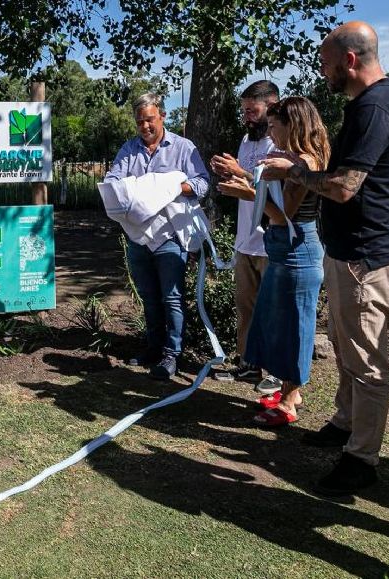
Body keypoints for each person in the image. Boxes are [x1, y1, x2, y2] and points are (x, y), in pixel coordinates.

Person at [261, 21, 389, 496]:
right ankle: (343, 420)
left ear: (350, 61)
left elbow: (343, 186)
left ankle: (360, 460)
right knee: (343, 345)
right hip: (351, 251)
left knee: (367, 361)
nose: (323, 73)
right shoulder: (377, 100)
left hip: (366, 255)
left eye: (326, 64)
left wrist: (294, 170)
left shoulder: (375, 107)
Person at [219, 97, 330, 427]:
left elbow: (285, 216)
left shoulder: (306, 162)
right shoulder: (291, 158)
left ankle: (288, 402)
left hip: (298, 250)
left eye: (274, 126)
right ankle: (288, 392)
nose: (270, 132)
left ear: (291, 125)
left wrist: (249, 194)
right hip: (283, 248)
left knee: (295, 327)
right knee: (278, 326)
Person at [106, 93, 209, 380]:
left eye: (149, 119)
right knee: (149, 297)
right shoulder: (129, 149)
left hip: (170, 236)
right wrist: (134, 190)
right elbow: (114, 181)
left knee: (172, 297)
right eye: (140, 122)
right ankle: (153, 348)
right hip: (138, 237)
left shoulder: (183, 147)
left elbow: (202, 183)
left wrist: (173, 187)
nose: (145, 126)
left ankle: (171, 355)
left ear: (162, 116)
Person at [211, 80, 284, 395]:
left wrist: (239, 172)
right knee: (247, 308)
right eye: (244, 111)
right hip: (245, 240)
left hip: (270, 242)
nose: (246, 117)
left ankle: (278, 373)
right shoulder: (245, 140)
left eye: (252, 111)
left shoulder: (279, 142)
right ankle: (248, 363)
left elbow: (271, 188)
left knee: (274, 311)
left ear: (271, 106)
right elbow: (245, 185)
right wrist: (226, 174)